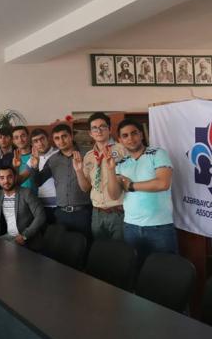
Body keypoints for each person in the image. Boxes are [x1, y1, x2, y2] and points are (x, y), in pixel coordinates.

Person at [107, 119, 175, 267]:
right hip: (131, 226)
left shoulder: (157, 153)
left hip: (159, 227)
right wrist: (111, 170)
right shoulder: (121, 163)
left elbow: (163, 183)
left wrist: (131, 186)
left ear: (141, 135)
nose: (130, 138)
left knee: (165, 270)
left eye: (134, 133)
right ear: (120, 140)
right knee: (135, 270)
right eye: (125, 135)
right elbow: (114, 195)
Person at [28, 124, 92, 240]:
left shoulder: (86, 155)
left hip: (83, 212)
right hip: (61, 213)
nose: (61, 141)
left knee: (85, 245)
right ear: (53, 140)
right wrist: (35, 167)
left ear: (71, 136)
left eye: (64, 136)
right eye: (57, 138)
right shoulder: (53, 160)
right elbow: (38, 182)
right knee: (61, 246)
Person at [73, 112, 127, 241]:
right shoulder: (88, 156)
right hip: (97, 213)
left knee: (121, 250)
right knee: (100, 250)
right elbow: (86, 188)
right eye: (94, 128)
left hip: (119, 211)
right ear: (90, 133)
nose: (99, 131)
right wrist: (79, 171)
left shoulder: (122, 150)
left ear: (110, 129)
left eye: (103, 126)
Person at [0, 166, 46, 246]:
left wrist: (25, 235)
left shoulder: (26, 193)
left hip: (28, 239)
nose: (6, 181)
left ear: (15, 178)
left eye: (9, 177)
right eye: (2, 178)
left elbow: (41, 216)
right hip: (9, 237)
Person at [29, 128, 58, 223]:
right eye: (36, 141)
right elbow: (34, 182)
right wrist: (34, 167)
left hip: (60, 205)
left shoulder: (58, 153)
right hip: (42, 205)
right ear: (32, 144)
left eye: (42, 139)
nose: (40, 143)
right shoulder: (31, 160)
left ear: (48, 138)